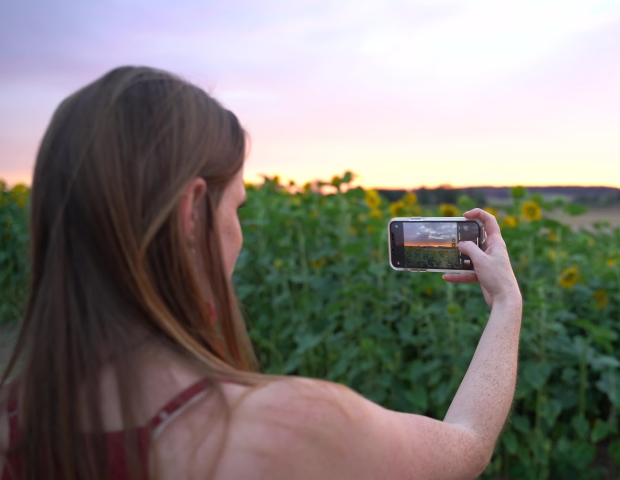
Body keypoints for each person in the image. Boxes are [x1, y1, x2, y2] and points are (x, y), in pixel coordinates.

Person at [0, 66, 523, 480]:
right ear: (192, 213)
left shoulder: (13, 423)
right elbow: (469, 442)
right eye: (238, 209)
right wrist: (506, 306)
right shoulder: (290, 431)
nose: (239, 232)